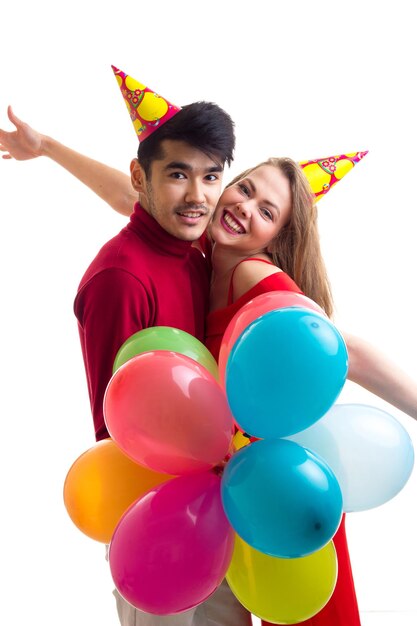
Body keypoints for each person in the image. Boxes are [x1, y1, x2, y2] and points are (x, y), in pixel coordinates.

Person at [2, 105, 417, 626]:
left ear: (274, 237)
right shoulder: (196, 243)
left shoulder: (251, 274)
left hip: (273, 486)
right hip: (199, 502)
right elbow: (130, 196)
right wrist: (46, 149)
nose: (242, 208)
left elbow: (343, 348)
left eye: (268, 212)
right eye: (244, 190)